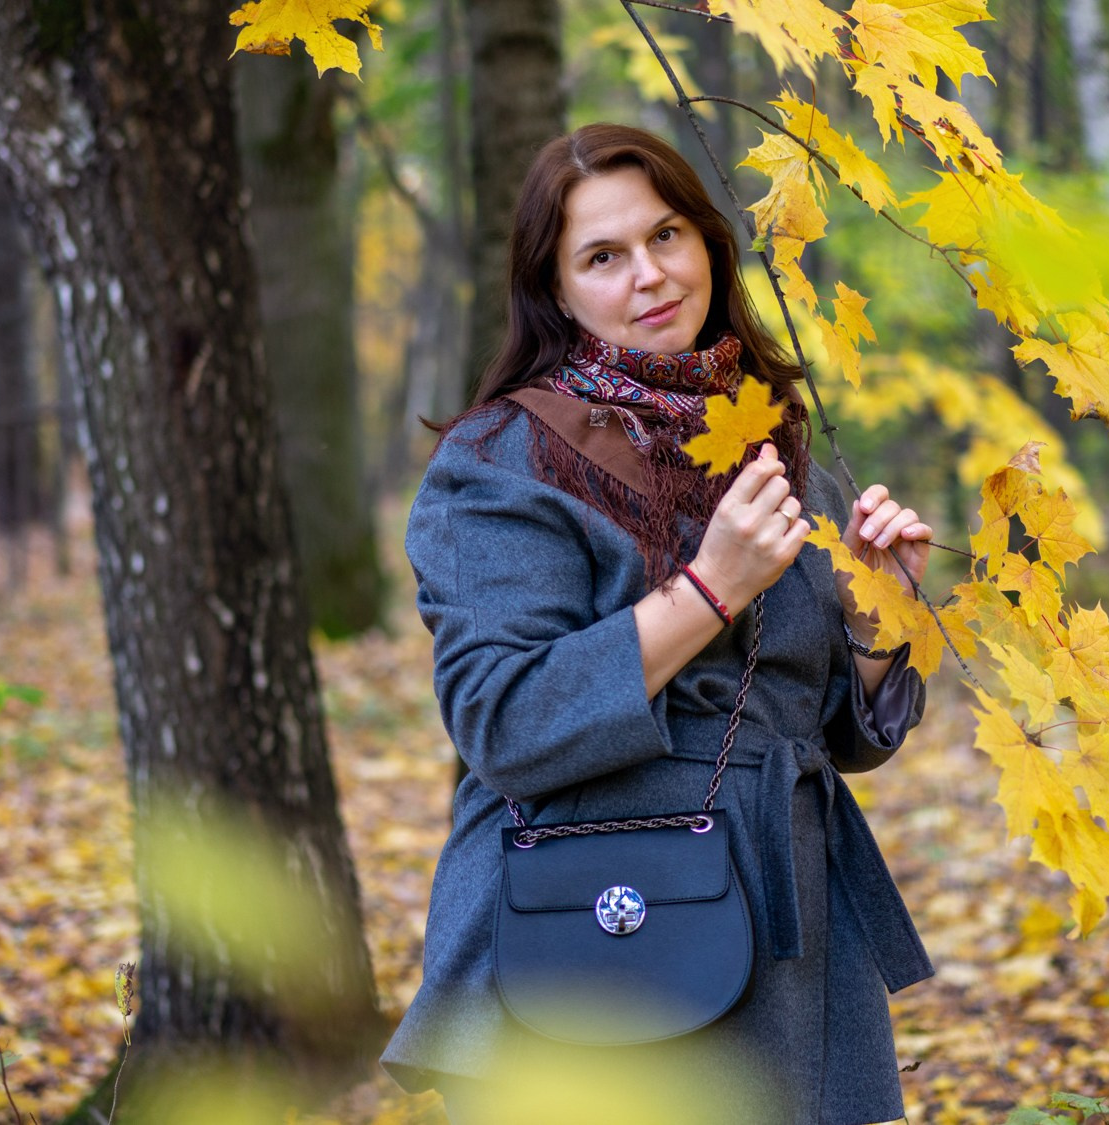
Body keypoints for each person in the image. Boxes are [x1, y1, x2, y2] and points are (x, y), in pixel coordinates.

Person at [380, 123, 937, 1125]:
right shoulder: (502, 460)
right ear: (554, 291)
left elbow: (818, 734)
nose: (649, 274)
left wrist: (874, 616)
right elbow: (502, 719)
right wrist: (710, 588)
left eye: (667, 235)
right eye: (602, 256)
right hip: (600, 933)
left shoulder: (766, 443)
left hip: (786, 929)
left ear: (708, 246)